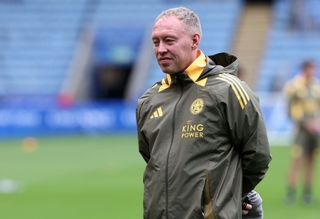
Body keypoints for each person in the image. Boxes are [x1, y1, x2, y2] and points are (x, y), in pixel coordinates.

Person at [136, 7, 271, 219]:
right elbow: (152, 158)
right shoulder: (148, 100)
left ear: (194, 40)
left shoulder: (228, 90)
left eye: (169, 40)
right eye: (156, 42)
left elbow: (258, 155)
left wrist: (231, 194)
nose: (160, 49)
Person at [285, 60, 320, 204]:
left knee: (312, 161)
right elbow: (290, 109)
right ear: (304, 70)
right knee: (297, 161)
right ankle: (291, 194)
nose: (312, 72)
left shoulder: (316, 86)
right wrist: (307, 123)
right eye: (310, 69)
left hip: (315, 129)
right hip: (301, 130)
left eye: (314, 70)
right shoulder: (293, 86)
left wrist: (317, 122)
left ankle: (307, 193)